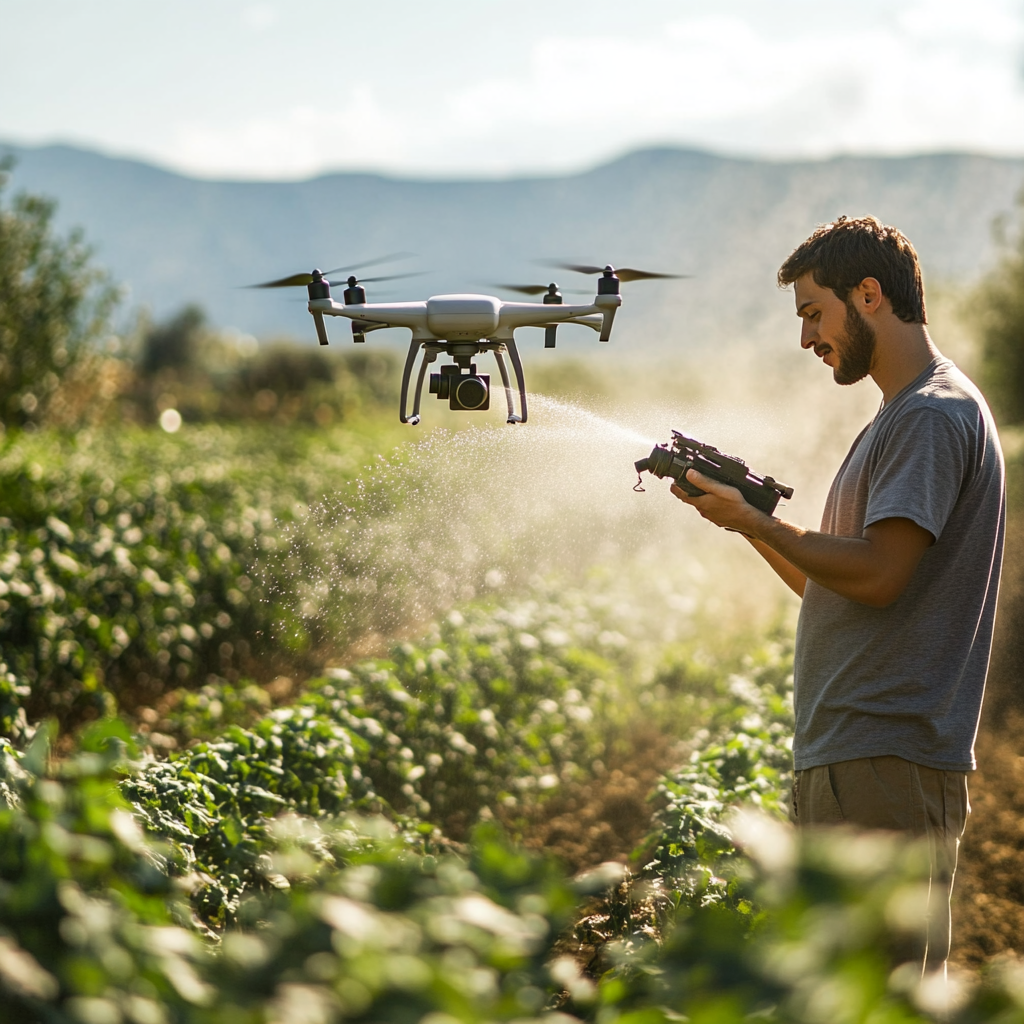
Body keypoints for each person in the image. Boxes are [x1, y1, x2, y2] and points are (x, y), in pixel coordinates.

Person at [672, 215, 1005, 974]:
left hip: (884, 759)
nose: (806, 340)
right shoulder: (906, 414)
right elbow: (839, 588)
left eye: (813, 314)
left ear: (869, 294)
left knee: (877, 998)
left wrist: (763, 522)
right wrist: (750, 525)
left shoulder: (929, 415)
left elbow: (881, 576)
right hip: (861, 758)